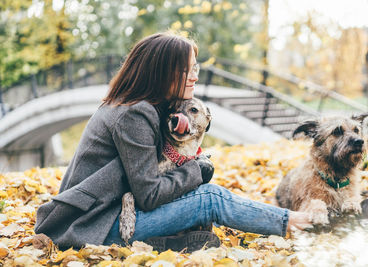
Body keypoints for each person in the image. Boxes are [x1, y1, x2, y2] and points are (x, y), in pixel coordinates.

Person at [34, 32, 312, 251]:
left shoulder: (150, 107)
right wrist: (196, 171)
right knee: (210, 198)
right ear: (160, 71)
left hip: (107, 215)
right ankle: (295, 223)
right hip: (91, 225)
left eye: (196, 68)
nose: (194, 76)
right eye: (185, 70)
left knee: (202, 194)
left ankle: (166, 243)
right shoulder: (133, 114)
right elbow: (150, 194)